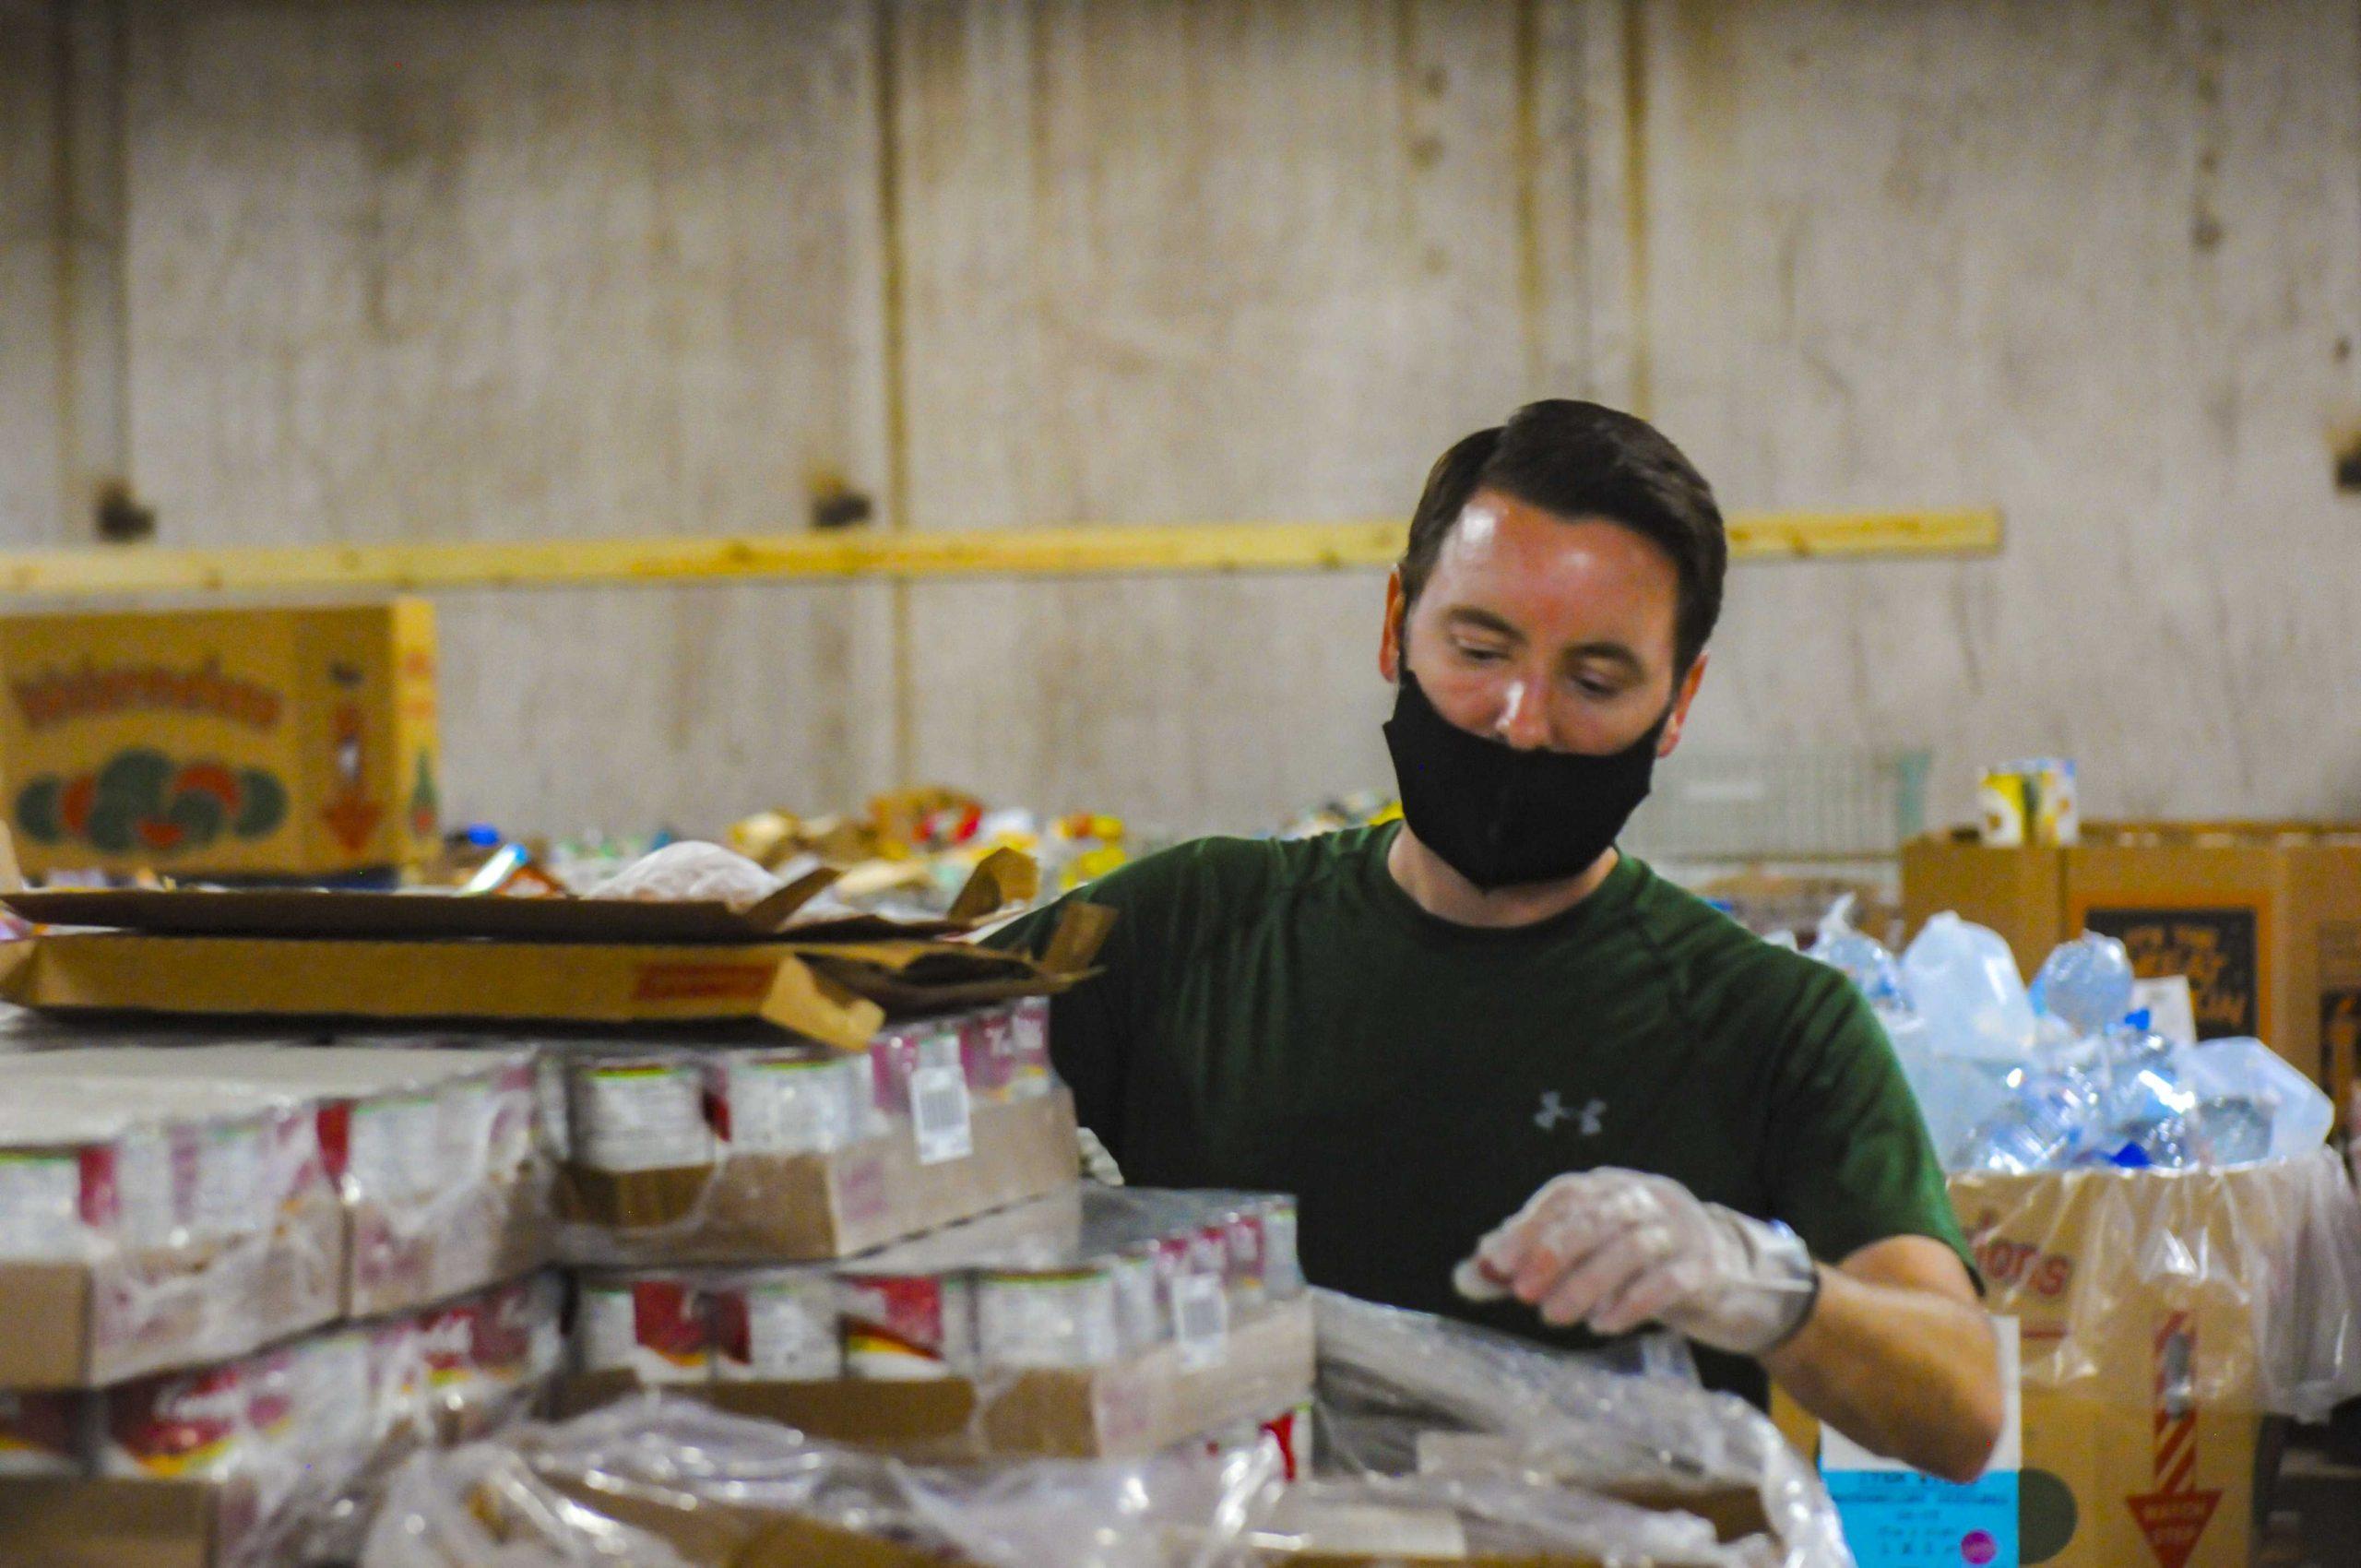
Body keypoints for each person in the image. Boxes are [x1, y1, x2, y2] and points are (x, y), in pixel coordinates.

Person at [990, 400, 2002, 1482]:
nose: (1522, 720)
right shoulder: (1184, 929)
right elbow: (869, 1081)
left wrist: (1761, 1283)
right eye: (1478, 648)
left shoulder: (1770, 1025)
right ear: (1396, 628)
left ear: (1678, 702)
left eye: (1595, 681)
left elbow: (1960, 1409)